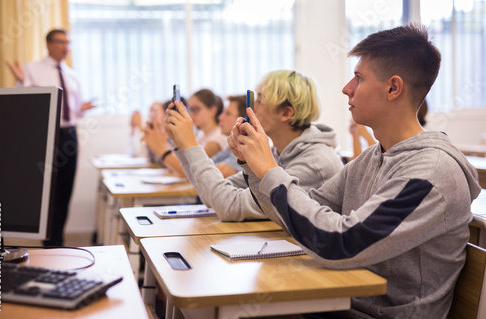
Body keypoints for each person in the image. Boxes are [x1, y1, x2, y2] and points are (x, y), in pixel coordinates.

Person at [229, 24, 481, 318]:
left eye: (359, 78)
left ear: (393, 88)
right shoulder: (376, 155)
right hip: (346, 301)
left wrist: (271, 170)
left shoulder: (430, 173)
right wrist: (253, 167)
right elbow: (301, 217)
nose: (347, 88)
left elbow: (338, 244)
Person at [164, 69, 344, 222]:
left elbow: (229, 206)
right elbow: (212, 196)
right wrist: (182, 146)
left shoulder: (315, 163)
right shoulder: (278, 153)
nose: (251, 108)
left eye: (260, 100)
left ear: (285, 113)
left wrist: (191, 145)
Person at [5, 29, 96, 247]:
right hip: (46, 135)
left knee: (65, 191)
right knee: (47, 194)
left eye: (68, 42)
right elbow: (27, 102)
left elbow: (75, 111)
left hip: (69, 136)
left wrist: (83, 108)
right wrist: (21, 82)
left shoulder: (72, 74)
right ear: (48, 44)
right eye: (61, 42)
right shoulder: (32, 69)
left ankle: (57, 242)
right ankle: (47, 242)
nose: (66, 47)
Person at [142, 88, 227, 177]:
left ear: (212, 110)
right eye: (190, 109)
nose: (191, 114)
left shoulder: (217, 138)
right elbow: (183, 164)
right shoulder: (201, 135)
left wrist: (161, 149)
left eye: (196, 109)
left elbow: (190, 170)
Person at [349, 99, 428, 160]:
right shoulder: (389, 133)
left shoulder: (414, 139)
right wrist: (356, 136)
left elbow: (382, 161)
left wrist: (366, 136)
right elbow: (357, 168)